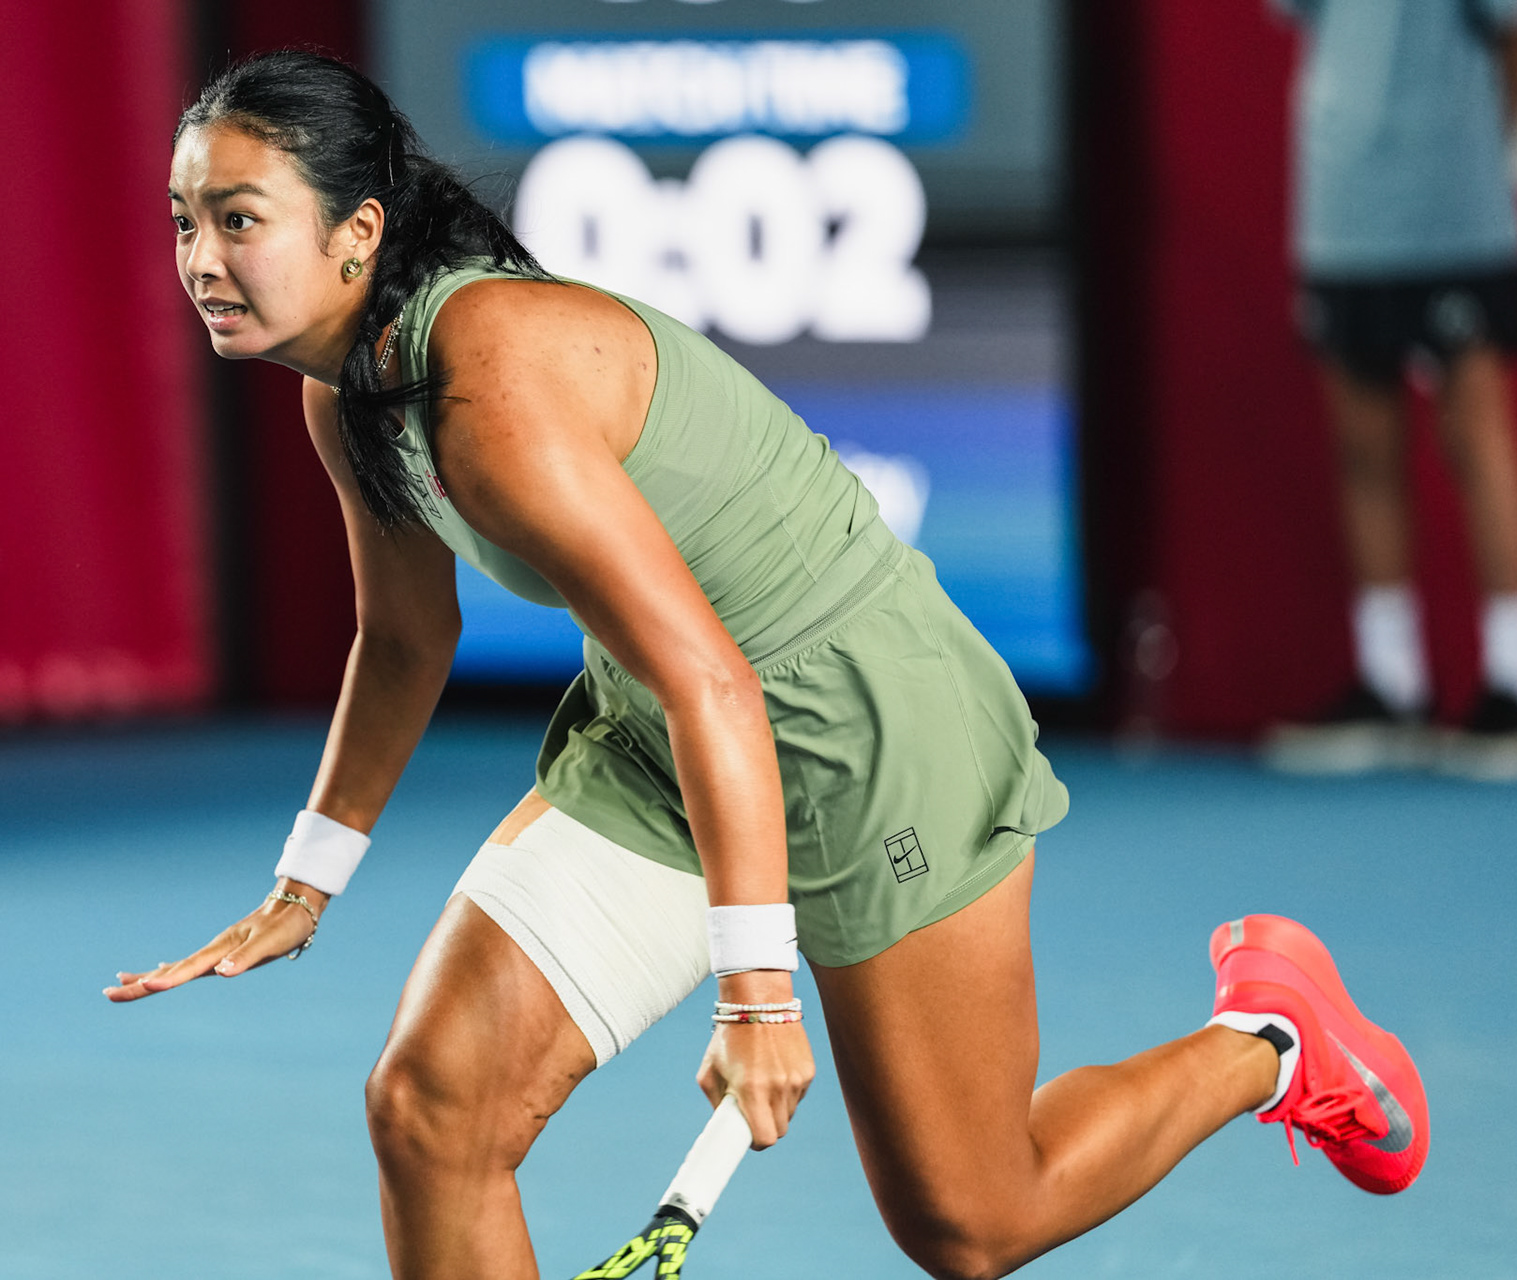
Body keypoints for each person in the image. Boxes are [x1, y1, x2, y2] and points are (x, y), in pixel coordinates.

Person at [106, 52, 1429, 1280]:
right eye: (184, 222)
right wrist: (309, 878)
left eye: (239, 219)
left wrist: (756, 993)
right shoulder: (347, 397)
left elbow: (720, 686)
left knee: (974, 1220)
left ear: (358, 234)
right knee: (432, 1105)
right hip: (669, 736)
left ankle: (1271, 1041)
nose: (202, 259)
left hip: (868, 729)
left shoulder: (487, 388)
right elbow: (406, 634)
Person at [1262, 0, 1517, 780]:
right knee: (1363, 446)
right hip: (1340, 205)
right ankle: (1392, 680)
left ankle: (1516, 684)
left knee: (1477, 435)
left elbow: (1516, 32)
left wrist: (1512, 165)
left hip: (1457, 204)